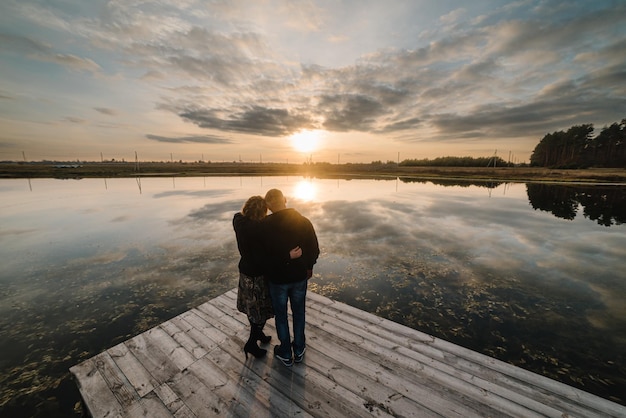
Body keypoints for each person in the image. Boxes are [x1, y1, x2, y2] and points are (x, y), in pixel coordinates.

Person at [233, 196, 302, 360]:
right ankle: (251, 343)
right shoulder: (261, 230)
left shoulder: (238, 220)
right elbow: (267, 257)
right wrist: (288, 255)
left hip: (245, 273)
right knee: (260, 312)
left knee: (252, 309)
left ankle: (259, 335)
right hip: (257, 276)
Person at [263, 188, 319, 367]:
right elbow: (314, 249)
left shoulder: (264, 225)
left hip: (277, 279)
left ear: (269, 205)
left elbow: (262, 255)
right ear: (285, 200)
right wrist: (309, 266)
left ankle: (286, 353)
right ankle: (300, 348)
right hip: (299, 277)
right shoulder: (303, 221)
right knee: (299, 312)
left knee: (281, 315)